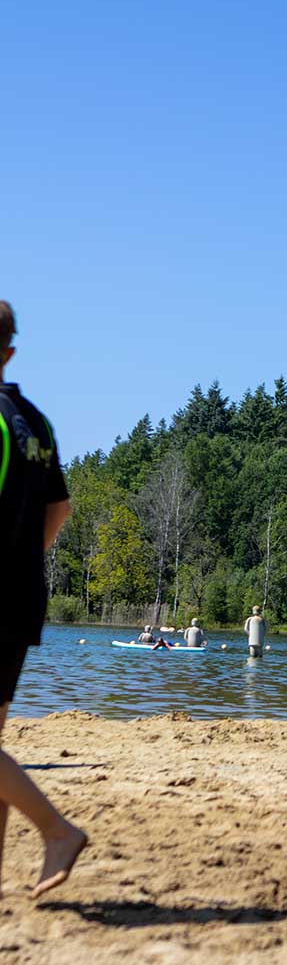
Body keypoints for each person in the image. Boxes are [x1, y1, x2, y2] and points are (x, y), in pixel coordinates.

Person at [0, 300, 87, 897]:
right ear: (10, 351)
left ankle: (57, 830)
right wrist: (23, 561)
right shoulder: (35, 420)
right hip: (21, 594)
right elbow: (60, 508)